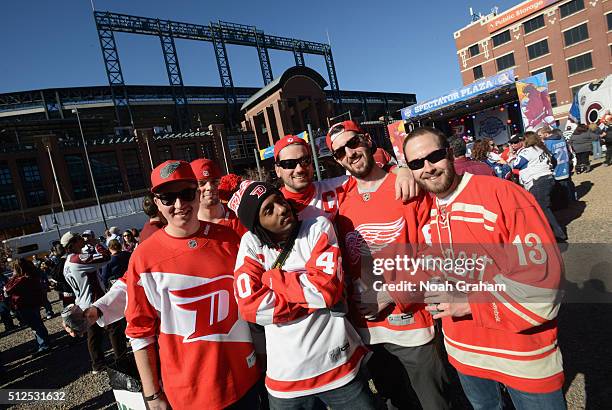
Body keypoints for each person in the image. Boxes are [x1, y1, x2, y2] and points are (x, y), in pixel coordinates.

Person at [402, 126, 565, 410]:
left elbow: (543, 283)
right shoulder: (421, 208)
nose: (427, 168)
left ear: (450, 154)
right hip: (466, 354)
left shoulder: (504, 195)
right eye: (416, 164)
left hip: (522, 355)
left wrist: (469, 303)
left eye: (434, 156)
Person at [327, 120, 450, 410]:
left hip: (412, 325)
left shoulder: (408, 187)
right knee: (396, 402)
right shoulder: (341, 202)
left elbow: (436, 255)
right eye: (340, 152)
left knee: (434, 402)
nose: (350, 153)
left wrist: (391, 295)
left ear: (367, 140)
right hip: (368, 331)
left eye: (353, 142)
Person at [124, 160, 260, 409]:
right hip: (190, 394)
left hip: (246, 380)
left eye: (186, 194)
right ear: (157, 203)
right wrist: (152, 395)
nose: (179, 205)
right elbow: (139, 332)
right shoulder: (143, 257)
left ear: (196, 194)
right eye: (168, 198)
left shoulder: (230, 238)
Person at [230, 181, 374, 409]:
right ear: (258, 225)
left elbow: (326, 290)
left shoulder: (317, 227)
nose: (281, 208)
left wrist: (273, 279)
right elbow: (250, 308)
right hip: (285, 380)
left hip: (339, 368)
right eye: (269, 210)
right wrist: (309, 298)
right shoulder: (251, 243)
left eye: (279, 199)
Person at [62, 231, 127, 373]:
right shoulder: (77, 259)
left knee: (94, 335)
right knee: (115, 330)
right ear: (72, 244)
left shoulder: (67, 262)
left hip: (83, 302)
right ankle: (122, 360)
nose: (83, 239)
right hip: (95, 301)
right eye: (79, 238)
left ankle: (98, 364)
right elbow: (106, 257)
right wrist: (96, 243)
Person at [510, 132, 567, 241]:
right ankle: (552, 232)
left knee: (542, 209)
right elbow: (553, 161)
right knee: (545, 207)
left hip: (538, 181)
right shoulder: (542, 149)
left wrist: (513, 156)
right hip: (548, 178)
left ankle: (558, 234)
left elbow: (516, 164)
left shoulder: (529, 150)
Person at [4, 258, 51, 354]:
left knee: (36, 326)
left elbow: (8, 289)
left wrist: (13, 277)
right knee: (37, 324)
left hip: (25, 305)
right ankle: (41, 343)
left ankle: (44, 345)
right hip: (32, 304)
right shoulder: (31, 275)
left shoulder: (22, 279)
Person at [190, 158, 245, 233]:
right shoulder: (188, 226)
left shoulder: (240, 216)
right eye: (202, 183)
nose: (209, 187)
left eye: (214, 182)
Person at [541, 127, 576, 205]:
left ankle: (566, 203)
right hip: (565, 163)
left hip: (557, 166)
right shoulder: (561, 139)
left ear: (545, 134)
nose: (540, 138)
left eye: (540, 135)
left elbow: (549, 155)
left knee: (561, 186)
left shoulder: (548, 142)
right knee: (568, 182)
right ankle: (572, 199)